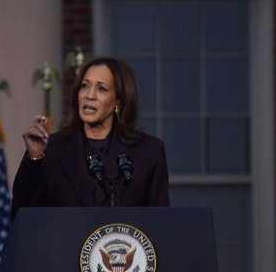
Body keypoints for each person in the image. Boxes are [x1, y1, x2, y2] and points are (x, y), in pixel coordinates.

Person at [12, 56, 170, 216]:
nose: (90, 95)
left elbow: (160, 223)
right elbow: (22, 212)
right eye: (85, 86)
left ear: (118, 102)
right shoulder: (50, 148)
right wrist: (35, 160)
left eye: (101, 89)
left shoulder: (148, 152)